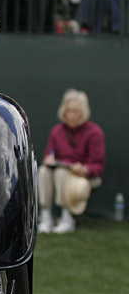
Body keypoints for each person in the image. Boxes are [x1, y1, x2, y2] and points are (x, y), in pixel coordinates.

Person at [39, 89, 105, 233]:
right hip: (60, 171)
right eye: (69, 111)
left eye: (76, 111)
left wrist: (84, 168)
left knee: (61, 172)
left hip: (83, 176)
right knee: (44, 171)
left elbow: (98, 166)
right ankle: (46, 217)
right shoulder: (57, 131)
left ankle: (66, 217)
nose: (72, 115)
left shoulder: (94, 132)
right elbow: (49, 154)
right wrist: (49, 159)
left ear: (83, 112)